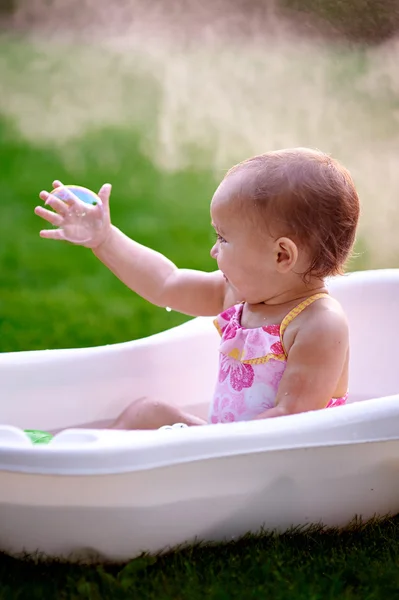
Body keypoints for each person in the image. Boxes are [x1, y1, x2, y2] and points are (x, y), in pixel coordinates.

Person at [34, 147, 360, 432]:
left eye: (223, 238)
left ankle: (92, 467)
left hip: (271, 465)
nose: (213, 251)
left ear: (281, 255)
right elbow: (167, 283)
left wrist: (198, 447)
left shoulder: (318, 324)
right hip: (224, 447)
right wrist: (105, 239)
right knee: (148, 413)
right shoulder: (241, 295)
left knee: (154, 420)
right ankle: (82, 455)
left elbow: (292, 422)